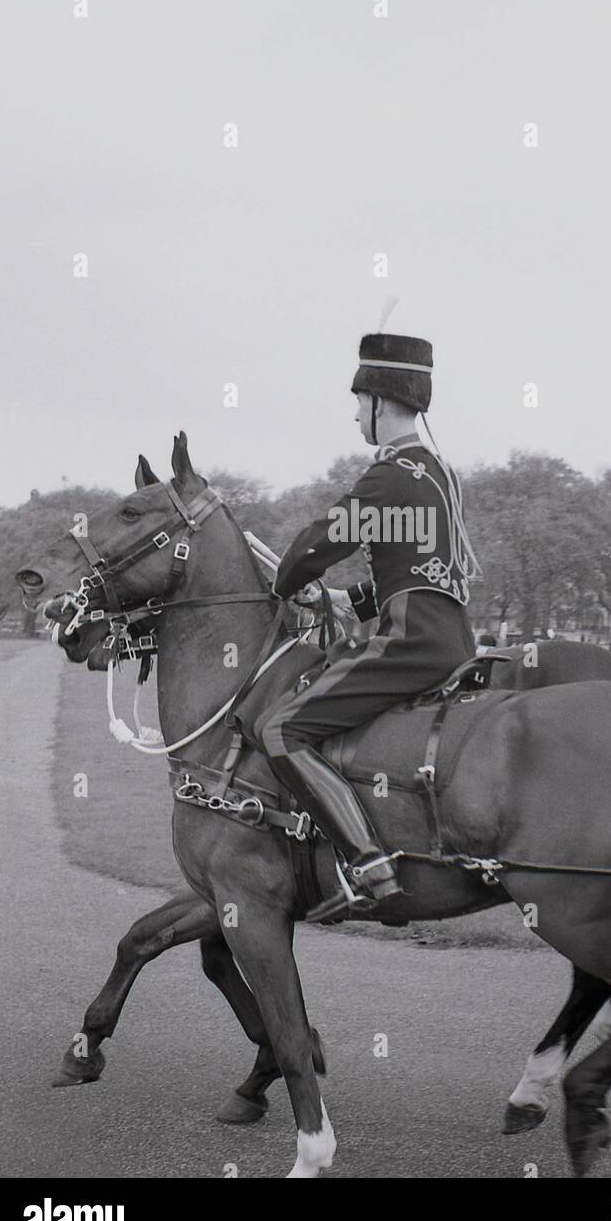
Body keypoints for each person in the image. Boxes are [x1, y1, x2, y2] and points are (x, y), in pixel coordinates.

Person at [254, 332, 480, 921]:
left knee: (281, 731)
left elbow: (316, 544)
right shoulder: (437, 475)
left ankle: (366, 867)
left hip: (409, 645)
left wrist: (281, 583)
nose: (355, 415)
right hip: (449, 637)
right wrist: (336, 598)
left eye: (359, 403)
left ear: (380, 401)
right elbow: (412, 575)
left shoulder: (388, 476)